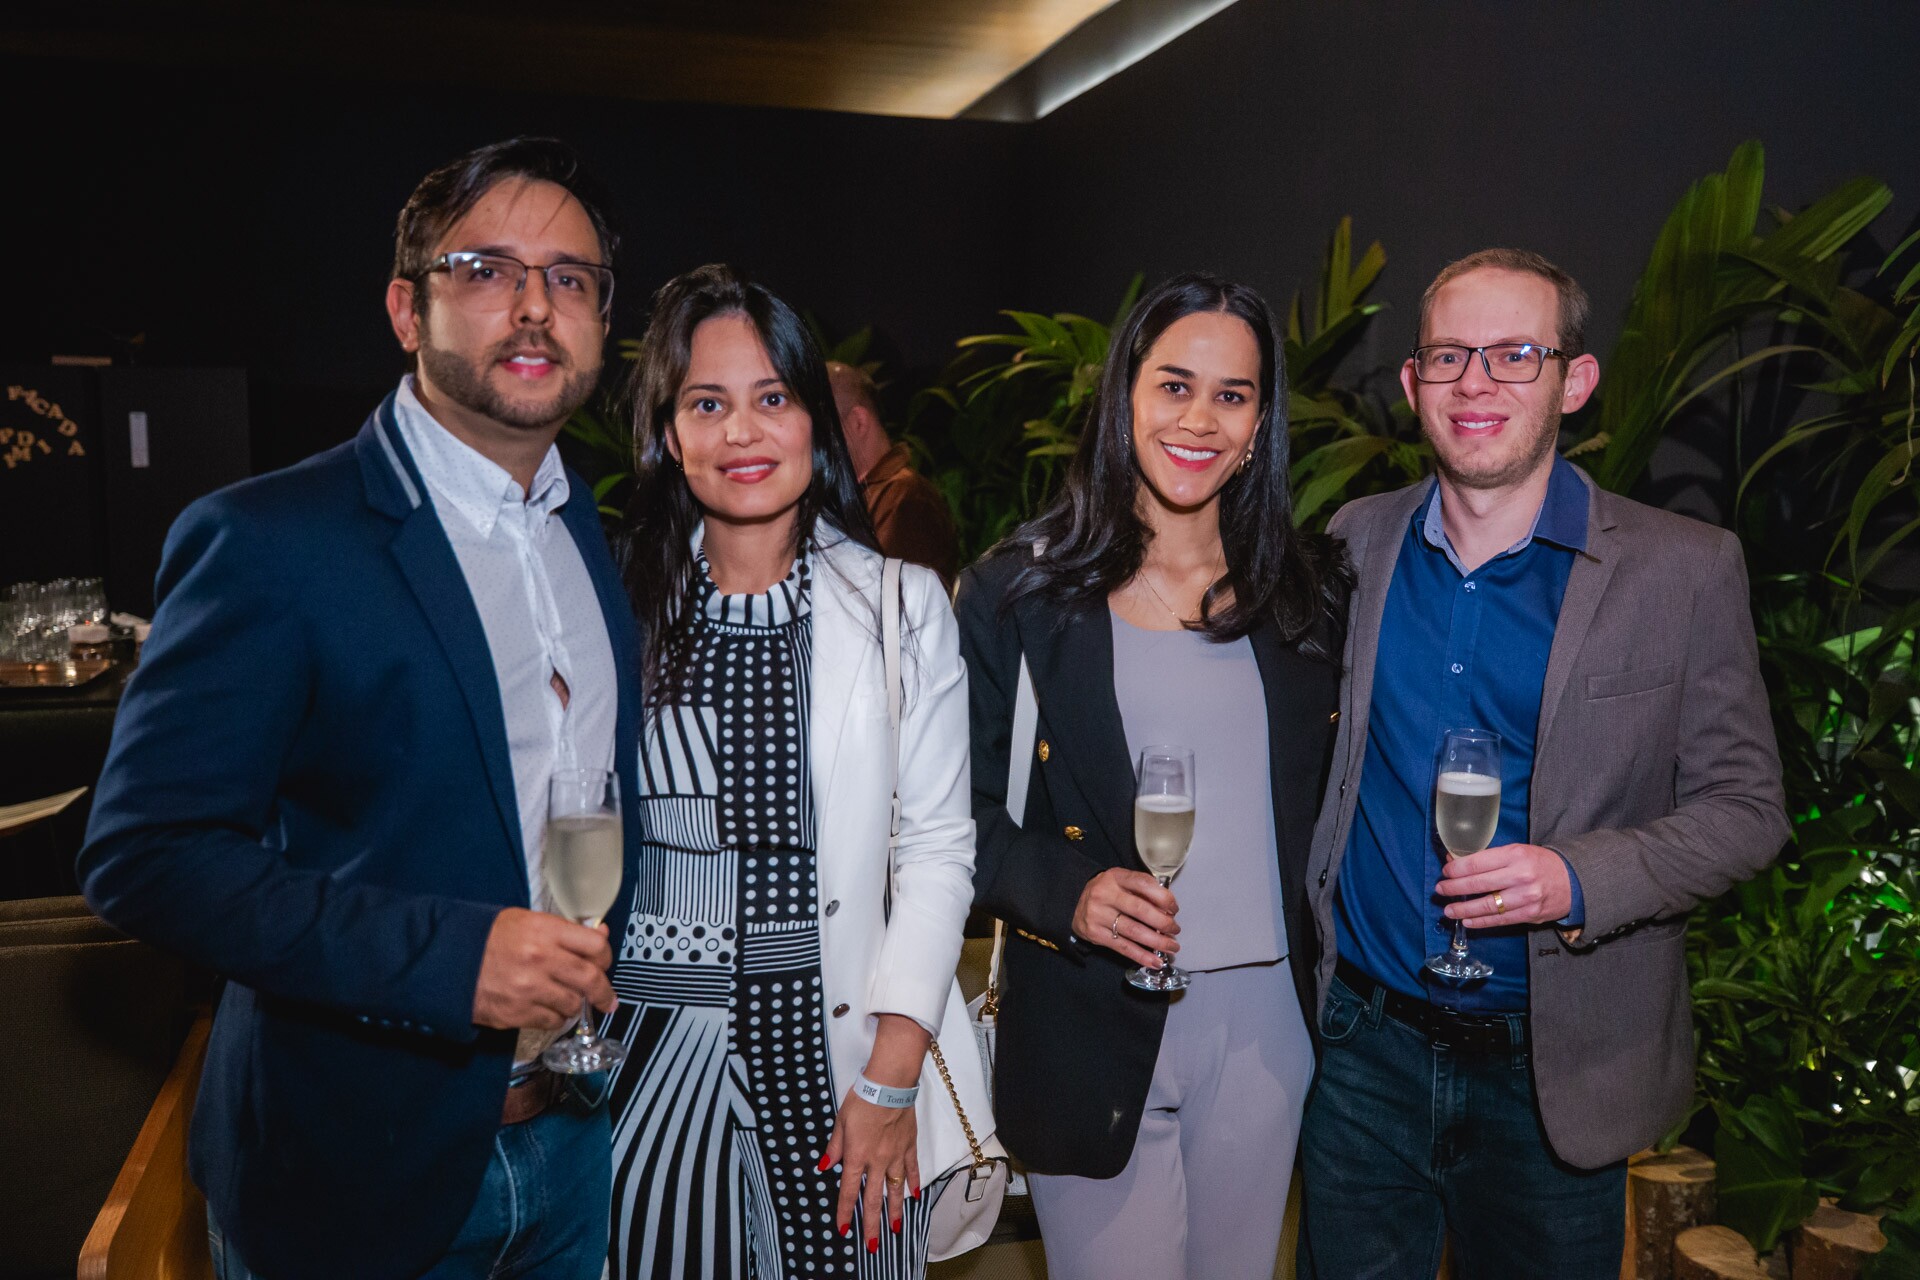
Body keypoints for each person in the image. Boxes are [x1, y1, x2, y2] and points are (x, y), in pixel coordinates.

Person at [76, 138, 641, 1280]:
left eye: (570, 279)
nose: (535, 307)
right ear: (404, 307)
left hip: (577, 1141)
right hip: (354, 1170)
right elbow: (146, 853)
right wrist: (452, 961)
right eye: (488, 269)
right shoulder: (273, 539)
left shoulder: (596, 541)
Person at [1296, 249, 1790, 1279]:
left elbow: (1747, 808)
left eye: (1515, 354)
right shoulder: (1355, 541)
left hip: (1555, 1070)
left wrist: (1576, 876)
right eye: (1448, 355)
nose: (1476, 382)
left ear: (1576, 379)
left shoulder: (1684, 570)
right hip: (1365, 1054)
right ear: (1412, 385)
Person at [600, 264, 990, 1279]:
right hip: (641, 1061)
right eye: (708, 402)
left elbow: (940, 849)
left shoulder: (904, 607)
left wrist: (893, 1080)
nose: (743, 431)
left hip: (837, 1056)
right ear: (668, 431)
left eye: (773, 398)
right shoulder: (617, 608)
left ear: (816, 420)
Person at [956, 272, 1348, 1280]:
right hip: (1088, 1016)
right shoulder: (1021, 591)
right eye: (1175, 385)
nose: (1200, 420)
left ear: (1261, 423)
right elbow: (949, 818)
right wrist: (1071, 891)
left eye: (1233, 394)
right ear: (1125, 393)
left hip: (1265, 1033)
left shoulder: (1308, 598)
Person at [828, 359, 959, 589]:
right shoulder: (861, 491)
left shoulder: (905, 497)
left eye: (821, 431)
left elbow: (882, 598)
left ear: (858, 422)